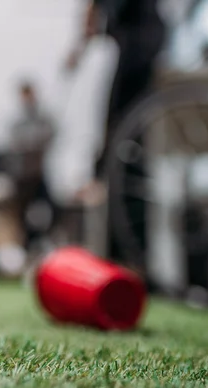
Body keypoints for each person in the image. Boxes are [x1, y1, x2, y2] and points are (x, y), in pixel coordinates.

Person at [66, 0, 167, 261]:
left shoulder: (136, 40)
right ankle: (126, 257)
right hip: (136, 43)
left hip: (139, 46)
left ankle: (131, 259)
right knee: (124, 141)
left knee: (127, 144)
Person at [7, 81, 57, 248]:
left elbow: (51, 136)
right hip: (22, 176)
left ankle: (44, 243)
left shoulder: (44, 118)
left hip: (38, 173)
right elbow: (14, 145)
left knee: (51, 210)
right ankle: (27, 246)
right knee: (23, 217)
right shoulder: (17, 122)